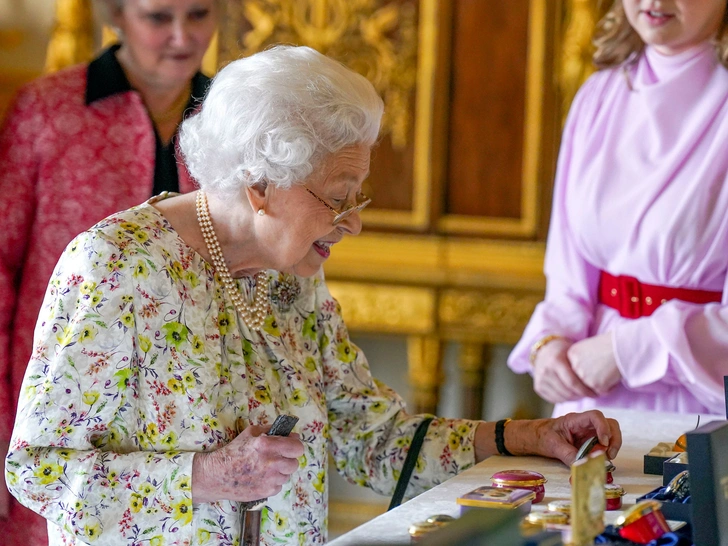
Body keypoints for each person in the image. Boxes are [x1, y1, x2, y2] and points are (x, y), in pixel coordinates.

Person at [5, 45, 622, 546]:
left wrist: (527, 437)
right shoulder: (118, 266)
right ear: (260, 185)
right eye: (338, 195)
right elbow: (37, 470)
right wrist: (204, 477)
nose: (352, 221)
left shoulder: (291, 275)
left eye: (359, 195)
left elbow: (370, 439)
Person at [0, 0, 217, 542]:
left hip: (190, 415)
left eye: (199, 13)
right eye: (158, 17)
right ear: (116, 15)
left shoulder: (230, 118)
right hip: (57, 401)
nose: (181, 35)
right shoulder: (47, 110)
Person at [508, 0, 728, 417]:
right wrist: (550, 342)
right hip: (591, 393)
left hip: (700, 403)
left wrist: (628, 349)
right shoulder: (598, 95)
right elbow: (568, 273)